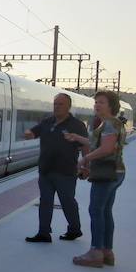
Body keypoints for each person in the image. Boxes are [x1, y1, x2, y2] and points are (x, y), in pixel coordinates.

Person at [64, 90, 126, 268]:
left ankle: (95, 252)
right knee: (105, 211)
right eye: (96, 102)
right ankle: (107, 252)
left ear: (111, 106)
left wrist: (84, 159)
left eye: (102, 102)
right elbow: (98, 144)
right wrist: (77, 138)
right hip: (116, 172)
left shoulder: (109, 124)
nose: (97, 105)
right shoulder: (111, 123)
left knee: (95, 211)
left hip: (107, 173)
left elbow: (106, 149)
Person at [23, 93, 89, 243]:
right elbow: (34, 132)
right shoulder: (47, 122)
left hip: (66, 172)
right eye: (55, 104)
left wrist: (86, 165)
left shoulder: (77, 125)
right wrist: (29, 133)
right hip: (46, 170)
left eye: (60, 104)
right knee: (45, 202)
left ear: (68, 106)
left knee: (67, 202)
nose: (57, 107)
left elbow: (85, 145)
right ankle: (43, 233)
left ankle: (74, 229)